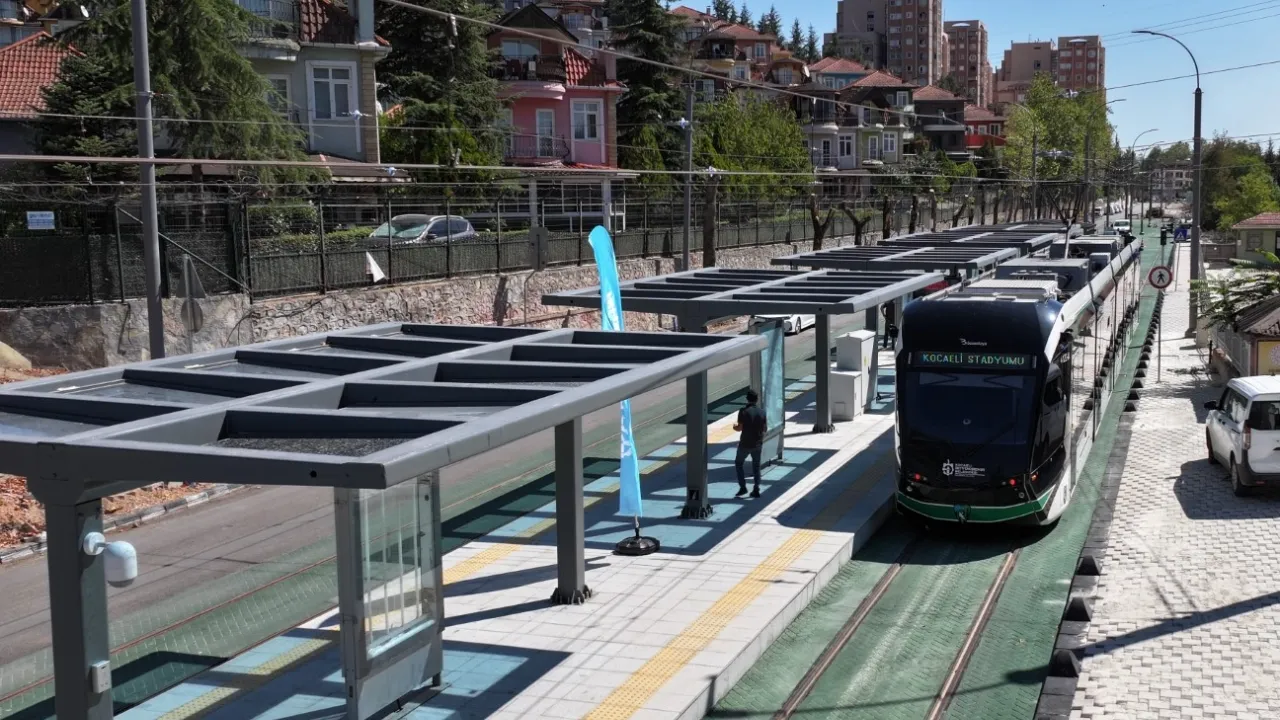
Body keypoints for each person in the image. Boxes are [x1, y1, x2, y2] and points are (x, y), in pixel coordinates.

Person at [733, 389, 767, 498]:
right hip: (757, 443)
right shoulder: (762, 412)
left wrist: (734, 427)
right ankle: (756, 489)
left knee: (739, 463)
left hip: (745, 443)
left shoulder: (743, 411)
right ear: (757, 400)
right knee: (756, 466)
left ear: (747, 399)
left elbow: (739, 428)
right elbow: (765, 429)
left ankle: (743, 487)